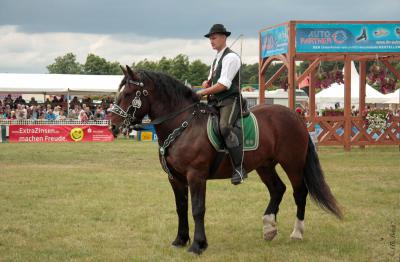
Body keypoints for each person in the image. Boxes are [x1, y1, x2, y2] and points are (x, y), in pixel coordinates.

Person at [197, 24, 246, 185]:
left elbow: (223, 85)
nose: (211, 41)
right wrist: (206, 83)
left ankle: (239, 168)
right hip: (215, 101)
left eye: (214, 37)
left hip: (230, 101)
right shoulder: (216, 59)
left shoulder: (231, 58)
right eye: (210, 38)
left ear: (224, 37)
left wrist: (201, 92)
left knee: (224, 127)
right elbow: (213, 82)